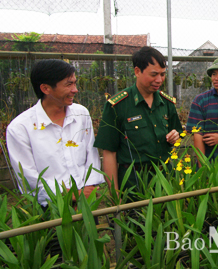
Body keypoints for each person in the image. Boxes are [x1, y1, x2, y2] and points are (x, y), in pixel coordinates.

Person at [6, 59, 104, 207]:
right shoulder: (20, 128)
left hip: (86, 199)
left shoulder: (81, 114)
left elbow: (91, 152)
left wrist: (90, 186)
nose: (75, 89)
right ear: (46, 88)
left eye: (75, 83)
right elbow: (28, 177)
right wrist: (70, 194)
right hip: (49, 205)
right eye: (68, 84)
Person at [94, 46, 182, 194]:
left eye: (162, 74)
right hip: (133, 183)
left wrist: (175, 136)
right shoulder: (118, 105)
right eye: (154, 74)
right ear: (137, 71)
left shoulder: (166, 103)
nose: (159, 80)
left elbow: (178, 133)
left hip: (165, 180)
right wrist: (116, 194)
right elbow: (109, 152)